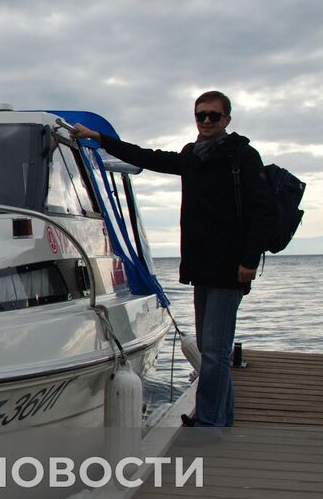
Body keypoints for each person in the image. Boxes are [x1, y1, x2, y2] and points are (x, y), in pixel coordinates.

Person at [70, 91, 273, 430]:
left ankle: (210, 424)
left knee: (216, 352)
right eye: (200, 115)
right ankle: (221, 418)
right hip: (201, 266)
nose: (206, 121)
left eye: (213, 116)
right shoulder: (192, 156)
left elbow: (264, 212)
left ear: (226, 120)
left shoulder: (242, 156)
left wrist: (249, 260)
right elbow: (150, 158)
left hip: (230, 267)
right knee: (213, 351)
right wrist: (101, 139)